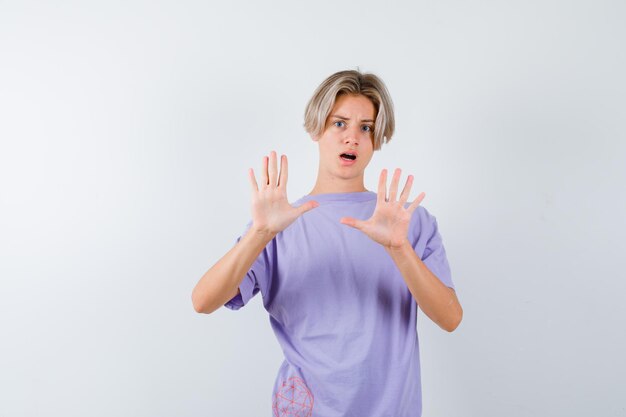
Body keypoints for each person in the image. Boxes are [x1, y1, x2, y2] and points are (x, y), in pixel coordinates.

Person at [191, 69, 463, 417]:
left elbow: (450, 318)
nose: (352, 138)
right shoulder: (278, 223)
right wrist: (259, 233)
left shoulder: (409, 222)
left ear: (377, 138)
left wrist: (400, 250)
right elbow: (203, 301)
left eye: (365, 127)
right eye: (340, 124)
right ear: (317, 128)